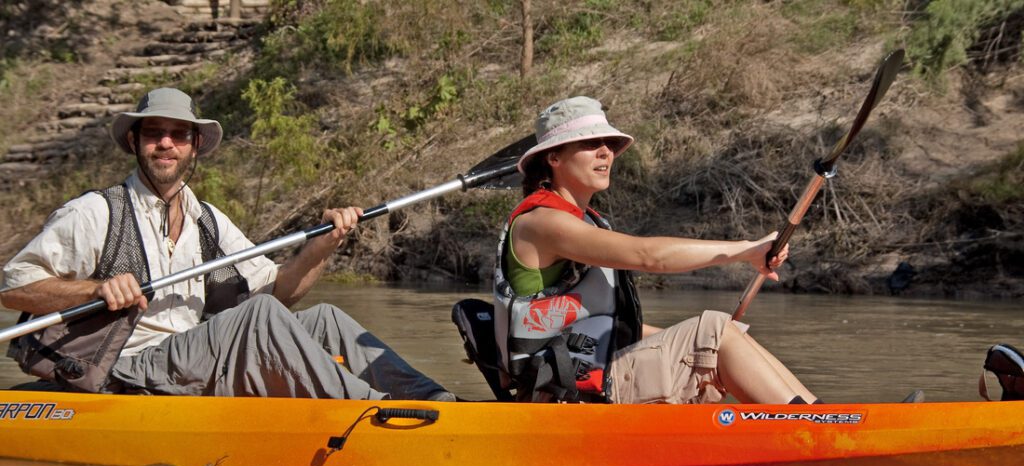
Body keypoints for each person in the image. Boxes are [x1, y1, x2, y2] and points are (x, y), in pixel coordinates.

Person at [1, 87, 454, 401]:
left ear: (194, 145)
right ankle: (379, 413)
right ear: (134, 142)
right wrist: (93, 290)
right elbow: (13, 288)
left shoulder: (210, 222)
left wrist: (325, 244)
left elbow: (280, 292)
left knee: (324, 319)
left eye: (178, 134)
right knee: (255, 317)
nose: (166, 144)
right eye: (154, 133)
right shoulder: (95, 213)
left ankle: (435, 401)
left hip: (191, 358)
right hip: (125, 368)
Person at [493, 96, 819, 405]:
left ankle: (822, 416)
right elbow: (649, 256)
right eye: (591, 144)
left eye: (609, 145)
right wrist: (746, 250)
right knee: (716, 331)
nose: (606, 153)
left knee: (723, 334)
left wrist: (682, 341)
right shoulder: (543, 223)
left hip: (592, 375)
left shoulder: (583, 222)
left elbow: (605, 325)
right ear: (554, 158)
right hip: (565, 391)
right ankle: (815, 428)